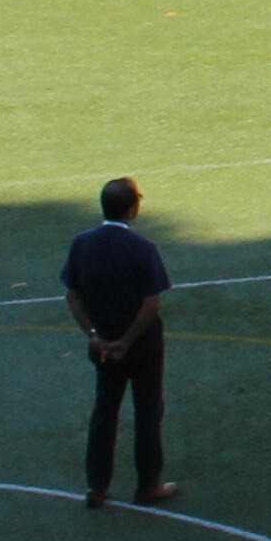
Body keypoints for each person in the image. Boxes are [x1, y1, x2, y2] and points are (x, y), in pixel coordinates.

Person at [65, 177, 182, 508]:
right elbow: (151, 302)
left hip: (102, 344)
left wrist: (95, 337)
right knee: (147, 411)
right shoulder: (142, 248)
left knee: (105, 409)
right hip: (142, 345)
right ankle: (148, 485)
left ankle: (97, 486)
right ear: (133, 208)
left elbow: (73, 296)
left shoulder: (82, 243)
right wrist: (127, 340)